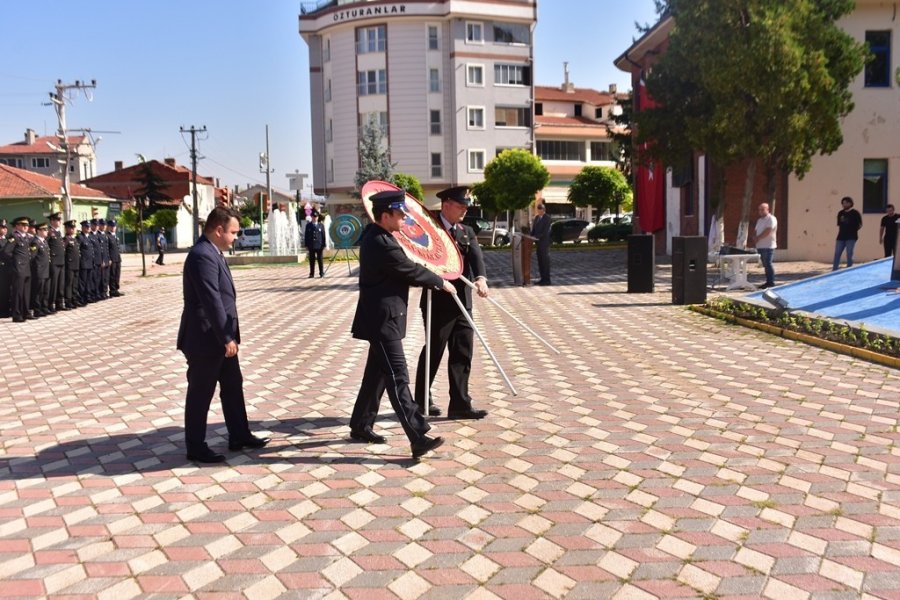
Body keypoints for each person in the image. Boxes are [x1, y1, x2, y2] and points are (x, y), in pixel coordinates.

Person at [348, 189, 452, 459]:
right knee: (397, 377)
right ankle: (417, 436)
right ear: (385, 216)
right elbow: (408, 270)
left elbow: (407, 266)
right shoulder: (381, 242)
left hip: (382, 320)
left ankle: (361, 424)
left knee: (377, 375)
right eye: (399, 214)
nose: (404, 219)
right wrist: (440, 282)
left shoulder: (381, 237)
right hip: (382, 322)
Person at [177, 206, 269, 463]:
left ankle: (239, 434)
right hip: (207, 338)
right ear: (218, 230)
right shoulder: (201, 255)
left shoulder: (212, 251)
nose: (236, 237)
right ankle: (195, 446)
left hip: (219, 336)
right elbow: (211, 300)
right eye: (233, 232)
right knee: (200, 392)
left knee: (232, 385)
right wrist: (226, 336)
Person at [414, 186, 489, 420]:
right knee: (434, 351)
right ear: (446, 204)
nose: (464, 210)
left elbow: (476, 257)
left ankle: (460, 403)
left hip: (462, 302)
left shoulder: (466, 230)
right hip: (438, 301)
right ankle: (422, 400)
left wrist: (481, 279)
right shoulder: (430, 231)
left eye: (466, 206)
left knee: (462, 352)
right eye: (460, 206)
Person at [4, 217, 33, 322]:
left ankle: (25, 312)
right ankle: (17, 314)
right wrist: (16, 262)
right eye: (23, 225)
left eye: (27, 225)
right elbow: (6, 252)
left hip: (26, 268)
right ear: (17, 226)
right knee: (18, 292)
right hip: (18, 269)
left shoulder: (25, 238)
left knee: (26, 292)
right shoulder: (14, 237)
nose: (26, 227)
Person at [751, 202, 778, 289]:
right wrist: (754, 237)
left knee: (768, 264)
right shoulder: (759, 220)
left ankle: (771, 282)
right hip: (760, 246)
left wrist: (758, 238)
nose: (761, 211)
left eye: (762, 210)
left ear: (767, 209)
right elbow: (756, 230)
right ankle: (768, 281)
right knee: (765, 264)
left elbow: (768, 230)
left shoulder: (771, 219)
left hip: (768, 246)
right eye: (759, 210)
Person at [833, 196, 862, 270]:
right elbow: (839, 224)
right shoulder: (840, 213)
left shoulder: (855, 213)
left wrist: (853, 230)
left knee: (849, 253)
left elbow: (860, 225)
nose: (844, 205)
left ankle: (849, 269)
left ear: (850, 203)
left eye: (846, 203)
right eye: (843, 203)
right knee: (837, 253)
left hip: (851, 237)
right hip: (841, 237)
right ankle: (835, 269)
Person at [30, 222, 51, 317]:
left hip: (46, 270)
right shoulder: (35, 242)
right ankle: (37, 309)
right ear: (38, 231)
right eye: (44, 230)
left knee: (45, 290)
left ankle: (44, 307)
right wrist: (37, 269)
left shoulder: (44, 241)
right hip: (39, 271)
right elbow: (32, 257)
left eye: (46, 229)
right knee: (38, 291)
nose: (46, 231)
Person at [47, 212, 65, 312]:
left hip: (61, 261)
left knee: (60, 284)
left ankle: (59, 302)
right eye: (58, 220)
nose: (60, 222)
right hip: (54, 262)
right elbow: (46, 246)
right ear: (52, 221)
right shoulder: (49, 232)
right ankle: (51, 304)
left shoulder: (58, 232)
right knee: (53, 284)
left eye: (60, 220)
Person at [532, 203, 552, 285]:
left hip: (544, 243)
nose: (539, 212)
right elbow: (534, 229)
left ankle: (547, 280)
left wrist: (537, 237)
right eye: (538, 210)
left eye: (540, 210)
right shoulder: (536, 218)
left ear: (543, 210)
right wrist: (531, 236)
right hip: (538, 243)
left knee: (545, 262)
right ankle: (542, 279)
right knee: (540, 261)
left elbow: (546, 232)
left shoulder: (547, 218)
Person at [63, 220, 80, 309]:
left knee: (75, 283)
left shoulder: (74, 239)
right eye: (71, 228)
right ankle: (68, 301)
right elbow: (63, 252)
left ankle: (74, 299)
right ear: (66, 229)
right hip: (69, 265)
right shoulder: (65, 239)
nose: (73, 229)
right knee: (69, 283)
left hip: (76, 264)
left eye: (73, 228)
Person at [304, 211, 326, 278]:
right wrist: (306, 245)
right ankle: (311, 273)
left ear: (318, 217)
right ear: (311, 217)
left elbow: (323, 235)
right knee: (312, 260)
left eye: (316, 217)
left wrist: (324, 244)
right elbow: (306, 236)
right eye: (313, 217)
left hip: (319, 245)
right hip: (311, 245)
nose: (315, 218)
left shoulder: (321, 225)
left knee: (320, 260)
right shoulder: (308, 225)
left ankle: (321, 273)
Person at [77, 221, 94, 303]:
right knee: (82, 282)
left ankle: (88, 296)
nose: (88, 228)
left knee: (89, 281)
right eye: (86, 227)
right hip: (83, 263)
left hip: (90, 262)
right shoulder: (80, 237)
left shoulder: (90, 237)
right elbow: (78, 251)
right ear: (82, 228)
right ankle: (81, 297)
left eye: (89, 227)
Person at [107, 220, 123, 296]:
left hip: (117, 258)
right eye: (112, 226)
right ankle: (112, 290)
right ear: (109, 227)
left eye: (114, 226)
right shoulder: (108, 236)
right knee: (112, 275)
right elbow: (107, 249)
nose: (114, 228)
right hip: (112, 258)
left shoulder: (115, 236)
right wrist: (109, 258)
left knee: (117, 274)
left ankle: (116, 288)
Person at [0, 220, 10, 318]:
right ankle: (2, 311)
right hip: (1, 268)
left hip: (8, 268)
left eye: (5, 227)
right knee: (2, 291)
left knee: (7, 290)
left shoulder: (7, 240)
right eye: (3, 227)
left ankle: (7, 309)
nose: (5, 229)